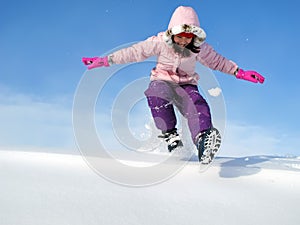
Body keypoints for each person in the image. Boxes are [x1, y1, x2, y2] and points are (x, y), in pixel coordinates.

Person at [82, 6, 265, 164]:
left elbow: (218, 62)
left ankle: (203, 140)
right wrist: (106, 60)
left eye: (188, 37)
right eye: (180, 36)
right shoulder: (159, 42)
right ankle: (170, 134)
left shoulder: (200, 49)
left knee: (197, 104)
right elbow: (134, 52)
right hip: (162, 80)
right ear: (172, 33)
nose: (184, 41)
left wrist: (239, 72)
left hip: (186, 84)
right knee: (156, 94)